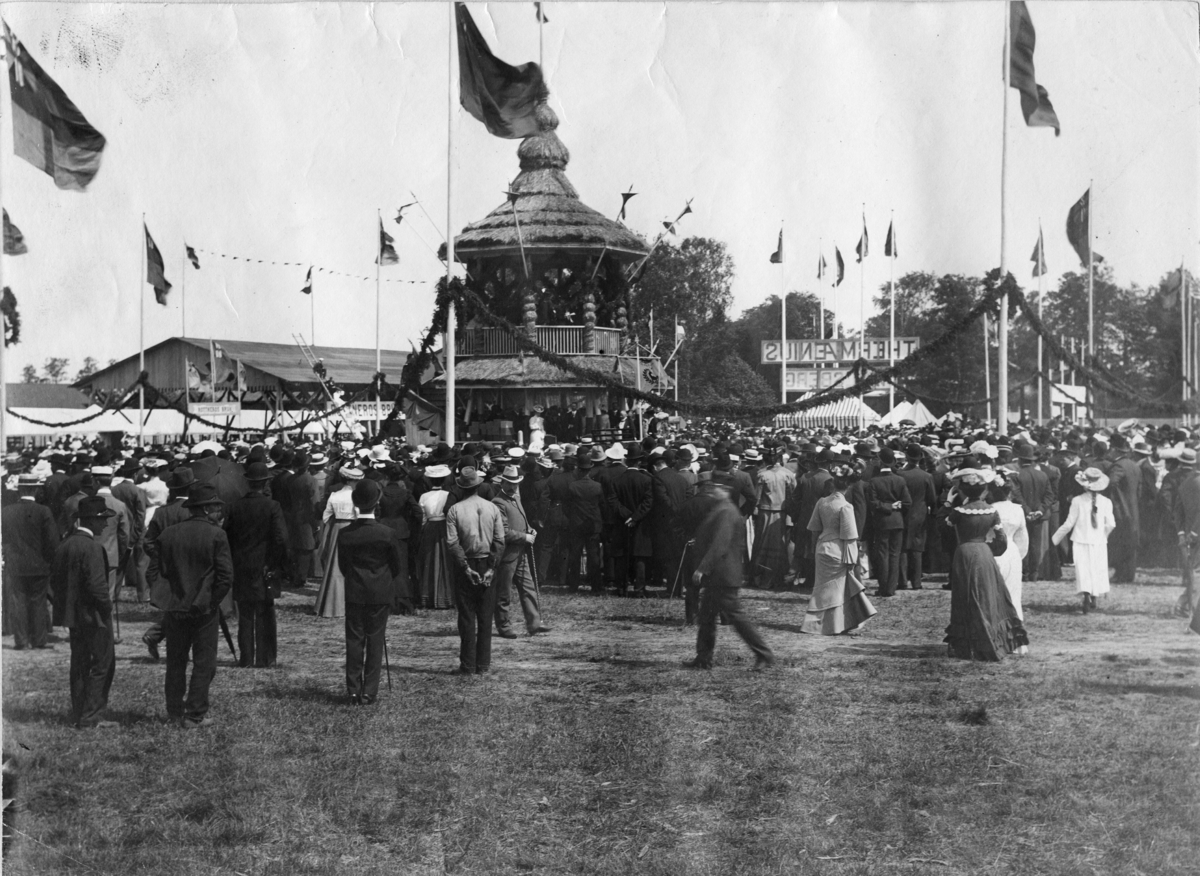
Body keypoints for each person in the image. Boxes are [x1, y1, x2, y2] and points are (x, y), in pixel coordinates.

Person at [148, 482, 234, 729]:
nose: (218, 511)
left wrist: (164, 596)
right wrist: (212, 601)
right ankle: (195, 714)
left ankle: (174, 711)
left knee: (176, 661)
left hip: (175, 607)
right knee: (204, 661)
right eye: (216, 506)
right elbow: (225, 576)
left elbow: (153, 570)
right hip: (203, 608)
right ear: (206, 509)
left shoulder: (168, 534)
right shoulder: (217, 534)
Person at [682, 470, 774, 670]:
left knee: (737, 618)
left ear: (724, 490)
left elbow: (720, 544)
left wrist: (702, 569)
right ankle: (703, 658)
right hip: (719, 575)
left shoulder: (726, 511)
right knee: (706, 618)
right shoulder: (722, 509)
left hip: (723, 574)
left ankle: (764, 654)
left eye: (714, 488)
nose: (711, 491)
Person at [943, 469, 1029, 661]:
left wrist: (949, 502)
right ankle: (989, 637)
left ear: (964, 491)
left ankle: (965, 644)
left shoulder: (958, 512)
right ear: (983, 491)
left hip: (964, 552)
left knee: (963, 596)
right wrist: (989, 551)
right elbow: (1001, 539)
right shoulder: (991, 511)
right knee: (987, 595)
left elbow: (944, 528)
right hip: (984, 552)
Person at [50, 496, 119, 729]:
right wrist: (106, 608)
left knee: (79, 663)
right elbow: (98, 587)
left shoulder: (65, 545)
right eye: (103, 520)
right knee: (102, 664)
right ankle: (92, 716)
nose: (106, 525)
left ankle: (79, 712)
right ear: (91, 520)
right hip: (95, 616)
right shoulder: (92, 548)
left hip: (73, 617)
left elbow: (55, 582)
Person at [337, 479, 404, 704]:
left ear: (356, 503)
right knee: (375, 640)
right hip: (379, 592)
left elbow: (343, 566)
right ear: (377, 502)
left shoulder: (346, 533)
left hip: (355, 590)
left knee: (354, 640)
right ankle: (369, 691)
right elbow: (396, 566)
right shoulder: (387, 533)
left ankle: (353, 689)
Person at [224, 462, 290, 667]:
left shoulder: (235, 506)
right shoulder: (272, 506)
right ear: (265, 483)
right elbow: (280, 538)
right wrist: (274, 562)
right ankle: (264, 657)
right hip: (264, 565)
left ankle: (246, 658)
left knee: (245, 614)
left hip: (242, 564)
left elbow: (227, 536)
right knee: (264, 612)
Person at [802, 459, 876, 635]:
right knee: (837, 590)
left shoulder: (822, 502)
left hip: (822, 548)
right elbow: (849, 537)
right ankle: (835, 624)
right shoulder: (845, 506)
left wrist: (814, 549)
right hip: (838, 549)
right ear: (848, 487)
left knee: (821, 589)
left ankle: (817, 624)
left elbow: (813, 529)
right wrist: (852, 559)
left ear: (833, 484)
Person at [444, 466, 505, 675]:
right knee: (486, 616)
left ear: (461, 487)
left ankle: (468, 665)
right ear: (479, 486)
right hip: (487, 561)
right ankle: (483, 664)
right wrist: (491, 568)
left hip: (467, 563)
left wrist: (465, 568)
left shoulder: (455, 510)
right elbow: (499, 540)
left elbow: (452, 543)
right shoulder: (492, 508)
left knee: (467, 616)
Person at [491, 465, 550, 637]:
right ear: (502, 482)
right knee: (504, 591)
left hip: (521, 553)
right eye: (509, 483)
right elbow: (503, 531)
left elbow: (522, 522)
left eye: (515, 483)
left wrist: (529, 529)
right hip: (507, 555)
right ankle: (504, 625)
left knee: (529, 587)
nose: (513, 486)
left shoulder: (516, 498)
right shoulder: (498, 502)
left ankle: (534, 623)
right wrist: (524, 537)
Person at [2, 474, 60, 650]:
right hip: (39, 564)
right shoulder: (44, 511)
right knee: (38, 601)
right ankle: (38, 639)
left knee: (18, 602)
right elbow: (52, 542)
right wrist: (50, 562)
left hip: (15, 564)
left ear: (19, 489)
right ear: (36, 489)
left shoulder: (6, 511)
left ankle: (21, 640)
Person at [1053, 467, 1116, 614]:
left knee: (1083, 569)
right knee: (1097, 568)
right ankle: (1094, 596)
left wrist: (1055, 539)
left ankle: (1087, 595)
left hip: (1081, 539)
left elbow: (1069, 524)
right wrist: (1103, 534)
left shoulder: (1077, 501)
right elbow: (1111, 524)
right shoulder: (1106, 502)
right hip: (1099, 541)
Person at [314, 466, 363, 619]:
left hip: (336, 529)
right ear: (353, 481)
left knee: (334, 565)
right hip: (352, 528)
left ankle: (331, 604)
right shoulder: (355, 496)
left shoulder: (334, 495)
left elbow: (326, 516)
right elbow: (358, 515)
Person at [864, 447, 911, 598]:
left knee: (882, 554)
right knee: (894, 554)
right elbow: (907, 502)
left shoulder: (874, 481)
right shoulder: (900, 480)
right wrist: (895, 507)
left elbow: (873, 503)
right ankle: (891, 588)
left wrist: (887, 507)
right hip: (897, 520)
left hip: (882, 521)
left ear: (880, 461)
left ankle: (883, 587)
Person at [989, 470, 1030, 631]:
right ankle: (1013, 633)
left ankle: (995, 633)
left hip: (993, 549)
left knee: (993, 592)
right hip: (1012, 550)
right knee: (1013, 593)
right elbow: (1023, 536)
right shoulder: (1017, 510)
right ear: (1009, 493)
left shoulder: (989, 509)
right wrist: (1019, 554)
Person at [415, 464, 454, 609]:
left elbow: (423, 517)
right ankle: (446, 596)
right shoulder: (448, 495)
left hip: (430, 527)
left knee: (430, 560)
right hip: (444, 527)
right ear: (444, 480)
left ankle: (430, 596)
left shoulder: (424, 496)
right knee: (446, 559)